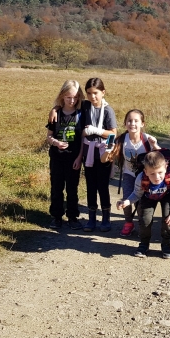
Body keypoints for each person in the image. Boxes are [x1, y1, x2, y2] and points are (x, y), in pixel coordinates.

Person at [51, 78, 117, 232]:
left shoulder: (108, 110)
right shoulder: (86, 105)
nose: (92, 96)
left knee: (102, 186)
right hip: (88, 154)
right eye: (89, 93)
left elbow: (113, 134)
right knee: (90, 186)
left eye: (95, 93)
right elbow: (67, 103)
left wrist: (97, 132)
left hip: (103, 154)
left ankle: (106, 218)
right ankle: (92, 218)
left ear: (103, 92)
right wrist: (54, 109)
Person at [100, 109, 159, 236]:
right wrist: (108, 150)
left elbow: (162, 158)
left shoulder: (147, 139)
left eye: (136, 121)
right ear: (125, 123)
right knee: (127, 199)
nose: (132, 123)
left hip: (145, 176)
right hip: (129, 174)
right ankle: (128, 223)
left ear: (142, 124)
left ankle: (142, 224)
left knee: (141, 202)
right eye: (129, 121)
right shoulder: (121, 139)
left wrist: (155, 146)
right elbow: (104, 160)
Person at [116, 151, 170, 259]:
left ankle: (166, 244)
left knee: (168, 220)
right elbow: (136, 194)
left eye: (160, 172)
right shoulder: (141, 178)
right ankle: (144, 243)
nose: (157, 177)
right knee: (145, 220)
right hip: (148, 196)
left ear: (166, 167)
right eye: (152, 173)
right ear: (145, 171)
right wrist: (126, 202)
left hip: (168, 195)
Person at [45, 80, 85, 229]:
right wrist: (55, 142)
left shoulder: (81, 114)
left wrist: (80, 157)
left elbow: (83, 139)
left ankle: (73, 217)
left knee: (72, 189)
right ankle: (56, 217)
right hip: (57, 158)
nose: (72, 100)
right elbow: (49, 136)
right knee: (56, 188)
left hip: (73, 158)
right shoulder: (56, 114)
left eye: (75, 97)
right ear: (62, 96)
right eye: (68, 97)